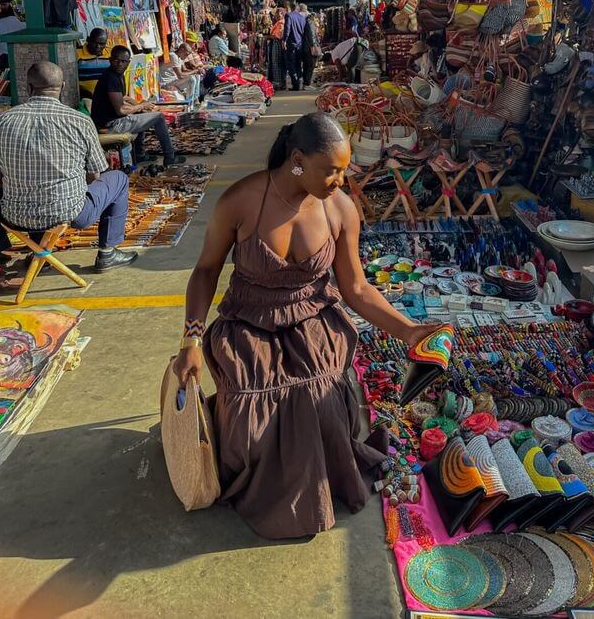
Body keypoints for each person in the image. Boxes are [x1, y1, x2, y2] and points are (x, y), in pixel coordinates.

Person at [173, 112, 438, 539]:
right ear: (297, 159)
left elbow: (355, 288)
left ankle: (310, 490)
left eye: (344, 169)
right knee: (249, 421)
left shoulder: (340, 209)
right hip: (249, 320)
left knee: (320, 402)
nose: (341, 180)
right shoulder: (241, 200)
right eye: (331, 170)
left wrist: (408, 329)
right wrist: (190, 338)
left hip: (312, 319)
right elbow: (205, 271)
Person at [0, 61, 138, 276]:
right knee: (118, 179)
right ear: (62, 87)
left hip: (15, 215)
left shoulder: (1, 121)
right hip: (71, 213)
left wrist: (22, 180)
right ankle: (107, 252)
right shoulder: (80, 121)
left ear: (28, 88)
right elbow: (96, 174)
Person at [91, 46, 185, 167]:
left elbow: (123, 98)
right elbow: (121, 110)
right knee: (159, 117)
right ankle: (170, 157)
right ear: (110, 60)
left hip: (112, 121)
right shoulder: (111, 78)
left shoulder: (117, 75)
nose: (119, 64)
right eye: (116, 60)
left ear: (128, 63)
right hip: (110, 125)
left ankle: (140, 154)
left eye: (123, 61)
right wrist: (141, 106)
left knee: (142, 114)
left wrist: (140, 104)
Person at [77, 27, 110, 99]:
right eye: (95, 43)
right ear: (88, 39)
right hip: (85, 99)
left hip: (107, 99)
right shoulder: (77, 54)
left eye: (102, 44)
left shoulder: (110, 54)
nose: (98, 47)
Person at [0, 2, 25, 69]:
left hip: (4, 55)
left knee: (5, 76)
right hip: (17, 53)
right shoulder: (21, 23)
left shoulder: (0, 22)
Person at [283, 2, 306, 91]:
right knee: (298, 63)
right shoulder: (302, 17)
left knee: (291, 64)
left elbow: (287, 29)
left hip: (291, 43)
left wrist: (284, 40)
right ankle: (299, 81)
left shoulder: (289, 16)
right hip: (300, 43)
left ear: (290, 7)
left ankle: (295, 83)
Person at [301, 9, 320, 89]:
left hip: (305, 47)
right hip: (309, 47)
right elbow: (311, 35)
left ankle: (305, 83)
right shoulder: (310, 23)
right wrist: (313, 46)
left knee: (306, 65)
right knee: (310, 65)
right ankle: (307, 83)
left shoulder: (305, 22)